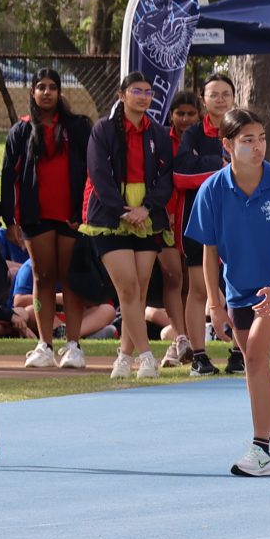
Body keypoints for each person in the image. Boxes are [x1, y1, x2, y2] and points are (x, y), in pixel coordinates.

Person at [184, 108, 270, 476]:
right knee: (257, 364)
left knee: (254, 357)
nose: (258, 147)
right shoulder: (212, 190)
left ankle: (260, 449)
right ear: (226, 145)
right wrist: (214, 302)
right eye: (247, 140)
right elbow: (209, 251)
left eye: (261, 139)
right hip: (239, 291)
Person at [80, 72, 178, 380]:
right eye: (137, 91)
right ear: (122, 95)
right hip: (112, 217)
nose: (144, 96)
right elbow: (98, 174)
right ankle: (147, 356)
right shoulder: (104, 129)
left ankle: (124, 357)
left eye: (148, 92)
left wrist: (146, 208)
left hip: (147, 215)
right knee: (128, 287)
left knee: (140, 289)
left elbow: (166, 177)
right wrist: (123, 211)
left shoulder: (159, 134)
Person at [0, 69, 94, 372]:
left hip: (72, 218)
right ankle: (44, 344)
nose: (47, 92)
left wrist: (86, 213)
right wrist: (10, 219)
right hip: (35, 217)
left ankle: (74, 345)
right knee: (42, 276)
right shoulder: (22, 130)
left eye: (53, 87)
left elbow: (93, 172)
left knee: (71, 279)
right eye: (41, 87)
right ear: (32, 92)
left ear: (60, 92)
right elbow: (9, 177)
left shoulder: (78, 127)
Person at [168, 73, 235, 376]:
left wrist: (206, 167)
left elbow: (251, 166)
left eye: (225, 94)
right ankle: (199, 355)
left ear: (234, 97)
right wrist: (219, 167)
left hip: (237, 218)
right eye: (213, 94)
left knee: (238, 286)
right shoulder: (193, 134)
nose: (220, 99)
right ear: (203, 99)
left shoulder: (243, 126)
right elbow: (181, 174)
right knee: (198, 289)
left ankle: (238, 352)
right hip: (200, 218)